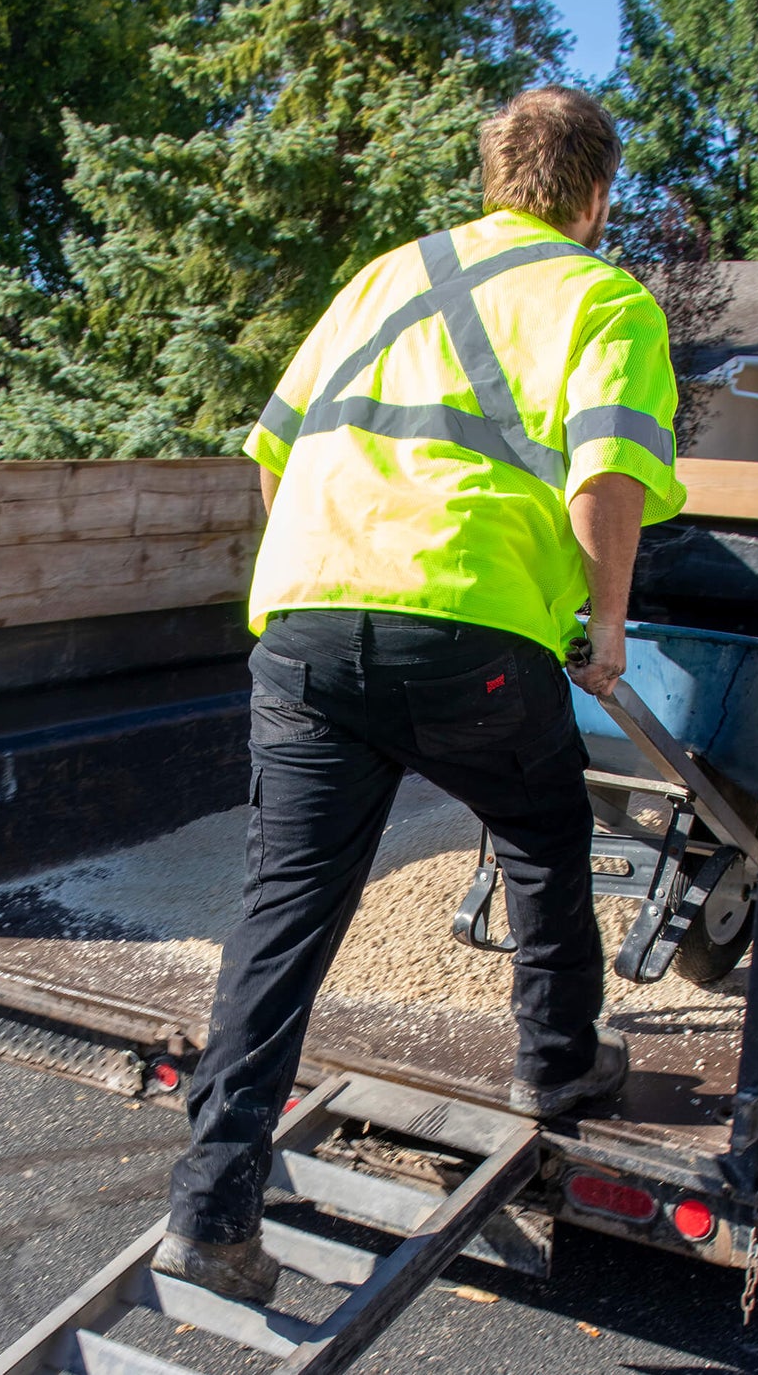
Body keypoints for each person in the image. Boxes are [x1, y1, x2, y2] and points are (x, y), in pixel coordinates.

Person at [153, 85, 686, 1301]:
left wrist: (331, 583)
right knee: (546, 832)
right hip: (467, 624)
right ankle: (553, 1065)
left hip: (300, 619)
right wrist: (599, 628)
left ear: (492, 178)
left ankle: (209, 1212)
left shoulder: (382, 278)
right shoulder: (603, 295)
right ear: (595, 195)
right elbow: (606, 471)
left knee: (283, 911)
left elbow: (277, 449)